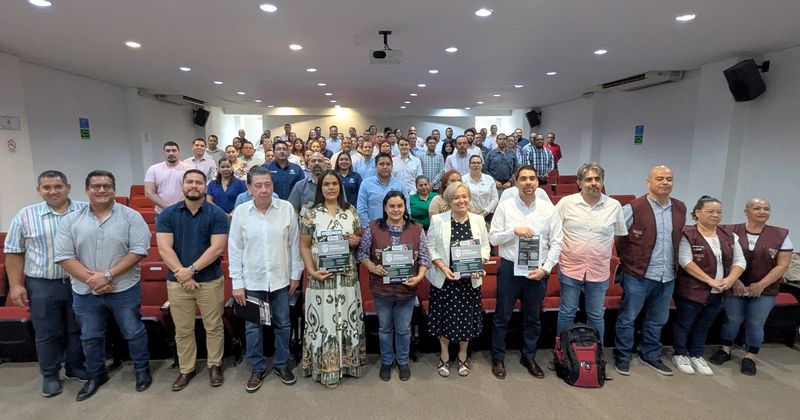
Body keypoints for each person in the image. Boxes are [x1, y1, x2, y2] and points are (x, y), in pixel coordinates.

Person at [54, 170, 151, 401]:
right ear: (86, 190)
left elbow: (138, 251)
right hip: (86, 291)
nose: (101, 190)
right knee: (90, 336)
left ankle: (141, 370)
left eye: (106, 186)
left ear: (113, 190)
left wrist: (107, 276)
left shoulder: (131, 216)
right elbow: (64, 255)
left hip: (124, 287)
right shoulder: (70, 220)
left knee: (133, 331)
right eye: (96, 186)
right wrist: (93, 280)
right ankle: (96, 375)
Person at [4, 170, 89, 397]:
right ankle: (50, 374)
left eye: (58, 187)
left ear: (68, 187)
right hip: (42, 284)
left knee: (77, 328)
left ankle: (75, 366)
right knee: (47, 332)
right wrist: (15, 285)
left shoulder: (85, 210)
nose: (53, 191)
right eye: (47, 187)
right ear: (38, 190)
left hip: (79, 282)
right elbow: (14, 252)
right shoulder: (25, 215)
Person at [228, 166, 303, 392]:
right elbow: (234, 250)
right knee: (253, 327)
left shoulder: (286, 209)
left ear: (273, 186)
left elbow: (294, 245)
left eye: (267, 185)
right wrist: (237, 283)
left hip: (280, 279)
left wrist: (295, 275)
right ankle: (257, 368)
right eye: (258, 185)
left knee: (283, 323)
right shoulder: (241, 213)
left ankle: (282, 364)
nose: (263, 190)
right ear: (249, 188)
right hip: (252, 281)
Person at [156, 170, 229, 391]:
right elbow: (163, 248)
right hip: (178, 282)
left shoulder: (216, 214)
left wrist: (192, 270)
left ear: (205, 186)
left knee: (214, 326)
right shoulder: (168, 214)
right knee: (183, 329)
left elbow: (217, 248)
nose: (194, 186)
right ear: (182, 186)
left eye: (198, 182)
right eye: (190, 182)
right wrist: (182, 273)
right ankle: (186, 369)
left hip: (209, 280)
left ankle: (214, 365)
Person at [489, 166, 563, 379]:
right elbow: (493, 238)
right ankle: (498, 358)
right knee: (502, 317)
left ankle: (528, 356)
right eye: (523, 179)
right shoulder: (505, 207)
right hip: (509, 268)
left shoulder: (549, 210)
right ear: (516, 182)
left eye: (532, 178)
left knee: (533, 318)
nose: (528, 182)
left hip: (537, 271)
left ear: (537, 183)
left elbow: (557, 243)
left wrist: (545, 269)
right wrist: (513, 231)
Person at [613, 166, 687, 376]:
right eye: (660, 179)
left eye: (669, 179)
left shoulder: (680, 208)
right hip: (638, 274)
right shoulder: (633, 208)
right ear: (648, 182)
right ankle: (623, 355)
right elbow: (618, 237)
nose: (665, 183)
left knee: (657, 319)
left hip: (667, 276)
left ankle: (650, 354)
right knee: (628, 318)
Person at [708, 198, 793, 375]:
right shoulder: (729, 231)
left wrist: (761, 285)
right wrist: (734, 281)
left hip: (765, 289)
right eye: (757, 208)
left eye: (766, 209)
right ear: (746, 211)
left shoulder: (781, 235)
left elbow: (782, 265)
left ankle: (750, 356)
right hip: (734, 285)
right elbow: (723, 258)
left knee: (756, 323)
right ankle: (725, 349)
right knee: (732, 320)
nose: (762, 211)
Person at [298, 170, 365, 388]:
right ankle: (325, 368)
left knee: (346, 320)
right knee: (324, 323)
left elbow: (358, 238)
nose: (331, 188)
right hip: (321, 277)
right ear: (320, 188)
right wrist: (311, 271)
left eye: (334, 183)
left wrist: (355, 240)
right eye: (326, 184)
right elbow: (304, 246)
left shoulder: (351, 211)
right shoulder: (310, 213)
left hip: (346, 276)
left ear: (340, 186)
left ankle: (347, 364)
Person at [357, 192, 430, 381]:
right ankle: (387, 361)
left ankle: (403, 361)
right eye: (391, 206)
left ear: (405, 207)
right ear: (385, 208)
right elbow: (362, 253)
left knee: (404, 329)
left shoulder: (416, 228)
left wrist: (420, 276)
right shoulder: (373, 227)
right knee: (385, 328)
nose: (396, 210)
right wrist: (373, 267)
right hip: (382, 289)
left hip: (407, 289)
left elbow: (424, 257)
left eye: (399, 206)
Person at [672, 196, 746, 376]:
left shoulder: (729, 235)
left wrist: (729, 280)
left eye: (719, 212)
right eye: (711, 211)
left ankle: (697, 354)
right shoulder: (688, 234)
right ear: (698, 213)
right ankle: (680, 353)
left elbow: (740, 261)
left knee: (704, 324)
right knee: (685, 323)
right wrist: (710, 280)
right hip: (692, 290)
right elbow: (685, 261)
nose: (716, 215)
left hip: (719, 290)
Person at [555, 162, 627, 344]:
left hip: (599, 270)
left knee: (596, 315)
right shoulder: (566, 203)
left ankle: (597, 357)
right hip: (571, 267)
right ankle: (563, 353)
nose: (593, 183)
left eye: (597, 179)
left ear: (602, 182)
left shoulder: (614, 206)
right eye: (588, 179)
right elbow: (554, 232)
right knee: (567, 312)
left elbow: (618, 235)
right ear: (579, 183)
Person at [426, 182, 490, 378]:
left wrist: (480, 264)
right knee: (443, 319)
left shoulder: (478, 220)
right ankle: (444, 356)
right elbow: (430, 247)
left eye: (464, 196)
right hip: (445, 280)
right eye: (456, 197)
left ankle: (463, 355)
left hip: (469, 281)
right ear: (448, 201)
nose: (461, 200)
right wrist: (443, 267)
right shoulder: (438, 220)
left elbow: (486, 247)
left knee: (466, 321)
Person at [356, 152, 408, 228]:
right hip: (373, 228)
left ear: (392, 166)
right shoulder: (366, 184)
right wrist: (368, 228)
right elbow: (361, 210)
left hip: (397, 228)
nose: (385, 167)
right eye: (381, 164)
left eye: (388, 164)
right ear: (375, 166)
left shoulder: (400, 185)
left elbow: (406, 208)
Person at [145, 141, 191, 213]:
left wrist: (181, 207)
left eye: (174, 150)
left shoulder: (190, 169)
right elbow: (149, 192)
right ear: (163, 153)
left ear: (179, 152)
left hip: (185, 211)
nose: (171, 153)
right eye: (168, 151)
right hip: (162, 212)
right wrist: (168, 207)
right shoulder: (153, 169)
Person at [464, 155, 498, 221]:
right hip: (469, 215)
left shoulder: (489, 179)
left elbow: (495, 199)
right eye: (473, 163)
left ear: (482, 165)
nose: (476, 165)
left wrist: (485, 213)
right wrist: (473, 212)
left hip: (488, 215)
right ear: (469, 165)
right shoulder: (463, 180)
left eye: (478, 163)